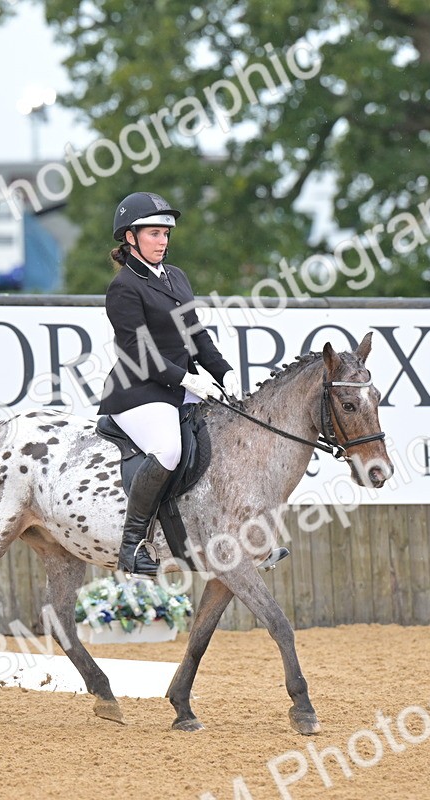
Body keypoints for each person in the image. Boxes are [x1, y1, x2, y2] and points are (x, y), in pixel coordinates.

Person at [98, 191, 240, 576]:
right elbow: (139, 353)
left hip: (179, 387)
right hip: (138, 393)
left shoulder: (177, 277)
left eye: (165, 233)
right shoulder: (124, 288)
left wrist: (223, 372)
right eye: (154, 233)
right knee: (168, 451)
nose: (162, 241)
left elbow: (196, 335)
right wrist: (189, 380)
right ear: (130, 237)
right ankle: (132, 547)